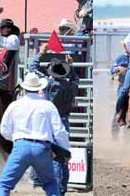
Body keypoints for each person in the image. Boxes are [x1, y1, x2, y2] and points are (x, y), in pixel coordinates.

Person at [0, 73, 70, 196]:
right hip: (43, 148)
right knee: (51, 183)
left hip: (21, 146)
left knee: (4, 185)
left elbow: (4, 130)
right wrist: (66, 151)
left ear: (24, 88)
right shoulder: (48, 105)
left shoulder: (15, 105)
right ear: (39, 88)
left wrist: (16, 140)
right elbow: (59, 132)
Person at [27, 48, 79, 195]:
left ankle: (42, 182)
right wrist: (72, 66)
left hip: (47, 122)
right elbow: (76, 79)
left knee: (42, 150)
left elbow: (32, 68)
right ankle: (61, 188)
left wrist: (40, 53)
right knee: (61, 156)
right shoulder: (71, 86)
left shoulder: (46, 83)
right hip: (63, 122)